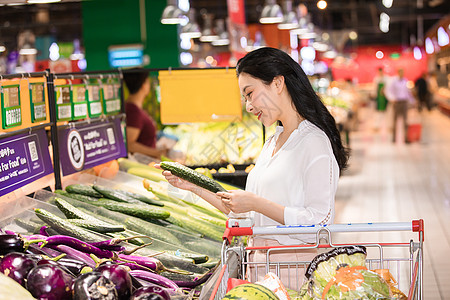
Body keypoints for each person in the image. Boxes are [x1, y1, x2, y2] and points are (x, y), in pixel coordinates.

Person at [156, 47, 349, 288]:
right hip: (264, 270)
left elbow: (319, 223)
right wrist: (192, 186)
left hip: (296, 274)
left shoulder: (314, 142)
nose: (248, 106)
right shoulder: (273, 141)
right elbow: (244, 215)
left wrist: (257, 203)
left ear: (278, 83)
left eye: (250, 93)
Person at [124, 69, 168, 159]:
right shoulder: (133, 111)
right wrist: (156, 152)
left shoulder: (134, 108)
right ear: (144, 85)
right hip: (142, 165)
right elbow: (129, 144)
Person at [385, 68, 415, 144]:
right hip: (397, 102)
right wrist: (392, 98)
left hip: (404, 102)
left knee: (405, 121)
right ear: (398, 73)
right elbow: (388, 90)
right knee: (395, 121)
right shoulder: (394, 81)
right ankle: (394, 138)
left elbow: (407, 92)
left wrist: (412, 101)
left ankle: (406, 138)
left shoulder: (405, 80)